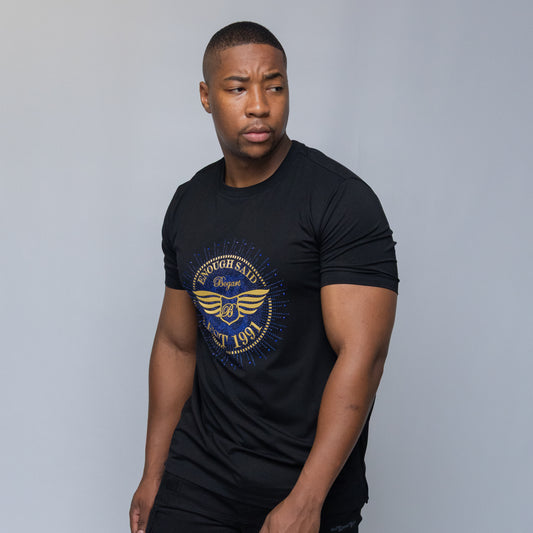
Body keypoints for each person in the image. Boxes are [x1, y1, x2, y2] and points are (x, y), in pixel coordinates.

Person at [129, 21, 398, 533]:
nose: (259, 105)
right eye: (237, 88)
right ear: (206, 96)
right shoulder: (189, 203)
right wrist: (153, 473)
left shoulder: (340, 200)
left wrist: (308, 499)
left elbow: (363, 355)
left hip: (303, 482)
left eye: (274, 87)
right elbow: (176, 344)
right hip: (200, 478)